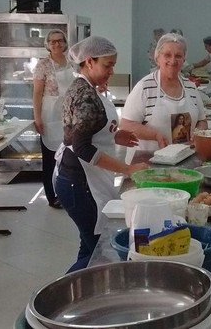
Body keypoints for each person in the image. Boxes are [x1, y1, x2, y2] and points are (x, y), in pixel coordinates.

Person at [54, 36, 149, 272]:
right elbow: (82, 147)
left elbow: (89, 130)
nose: (112, 71)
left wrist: (115, 135)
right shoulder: (86, 96)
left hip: (76, 178)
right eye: (108, 65)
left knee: (89, 249)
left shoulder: (87, 88)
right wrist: (127, 169)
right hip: (79, 182)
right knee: (101, 251)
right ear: (89, 62)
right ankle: (61, 291)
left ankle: (76, 288)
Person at [121, 33, 207, 162]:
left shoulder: (190, 87)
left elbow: (202, 121)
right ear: (157, 57)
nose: (173, 61)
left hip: (183, 160)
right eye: (167, 55)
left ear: (184, 59)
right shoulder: (145, 87)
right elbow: (126, 125)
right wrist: (155, 135)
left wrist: (198, 134)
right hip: (148, 162)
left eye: (178, 56)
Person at [32, 28, 73, 208]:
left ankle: (68, 192)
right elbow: (37, 94)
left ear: (65, 43)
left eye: (60, 40)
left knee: (69, 156)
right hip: (50, 114)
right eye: (52, 41)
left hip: (70, 114)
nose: (56, 44)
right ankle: (52, 196)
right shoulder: (43, 65)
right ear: (47, 45)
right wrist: (37, 118)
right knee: (50, 158)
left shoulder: (72, 63)